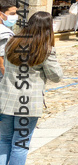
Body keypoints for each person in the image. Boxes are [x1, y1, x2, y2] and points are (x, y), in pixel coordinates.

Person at [0, 11, 62, 163]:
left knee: (4, 140)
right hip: (27, 104)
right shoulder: (45, 50)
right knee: (20, 144)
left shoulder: (11, 43)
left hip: (6, 98)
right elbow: (56, 76)